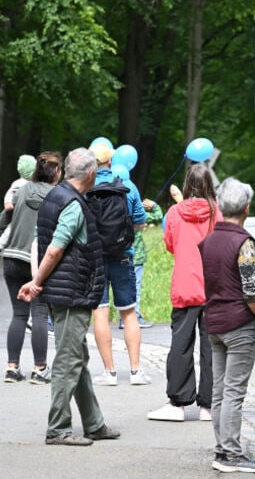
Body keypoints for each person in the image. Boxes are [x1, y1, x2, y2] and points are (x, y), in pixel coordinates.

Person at [18, 147, 120, 446]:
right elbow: (55, 248)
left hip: (63, 290)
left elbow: (44, 242)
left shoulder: (54, 195)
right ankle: (58, 428)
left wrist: (39, 281)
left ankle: (94, 424)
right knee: (68, 359)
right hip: (72, 291)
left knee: (77, 357)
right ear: (90, 174)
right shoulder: (73, 204)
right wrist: (36, 282)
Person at [199, 177, 255, 473]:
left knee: (219, 392)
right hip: (240, 324)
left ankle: (221, 448)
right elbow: (251, 290)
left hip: (213, 323)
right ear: (246, 209)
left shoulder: (209, 241)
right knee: (234, 392)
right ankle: (230, 453)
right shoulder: (245, 244)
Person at [148, 163, 220, 422]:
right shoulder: (216, 213)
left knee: (180, 344)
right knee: (211, 346)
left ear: (188, 184)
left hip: (185, 285)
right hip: (212, 286)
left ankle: (178, 402)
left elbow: (170, 244)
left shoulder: (176, 212)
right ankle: (209, 406)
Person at [89, 142, 149, 386]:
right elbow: (140, 221)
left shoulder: (85, 186)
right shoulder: (127, 185)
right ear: (112, 161)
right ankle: (135, 372)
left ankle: (109, 373)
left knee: (100, 312)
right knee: (129, 313)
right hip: (123, 255)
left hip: (95, 258)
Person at [3, 152, 61, 383]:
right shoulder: (57, 196)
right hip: (37, 262)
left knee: (18, 314)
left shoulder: (23, 190)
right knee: (39, 313)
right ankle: (39, 369)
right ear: (56, 172)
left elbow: (7, 216)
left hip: (11, 257)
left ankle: (12, 368)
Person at [126, 197, 163, 328]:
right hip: (137, 257)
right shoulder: (138, 215)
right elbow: (158, 216)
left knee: (124, 288)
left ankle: (123, 319)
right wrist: (154, 205)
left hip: (121, 256)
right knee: (136, 288)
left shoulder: (116, 214)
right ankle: (135, 317)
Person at [0, 154, 37, 248]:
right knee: (11, 230)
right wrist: (10, 203)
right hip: (19, 216)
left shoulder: (23, 183)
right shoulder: (21, 184)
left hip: (21, 216)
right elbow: (10, 200)